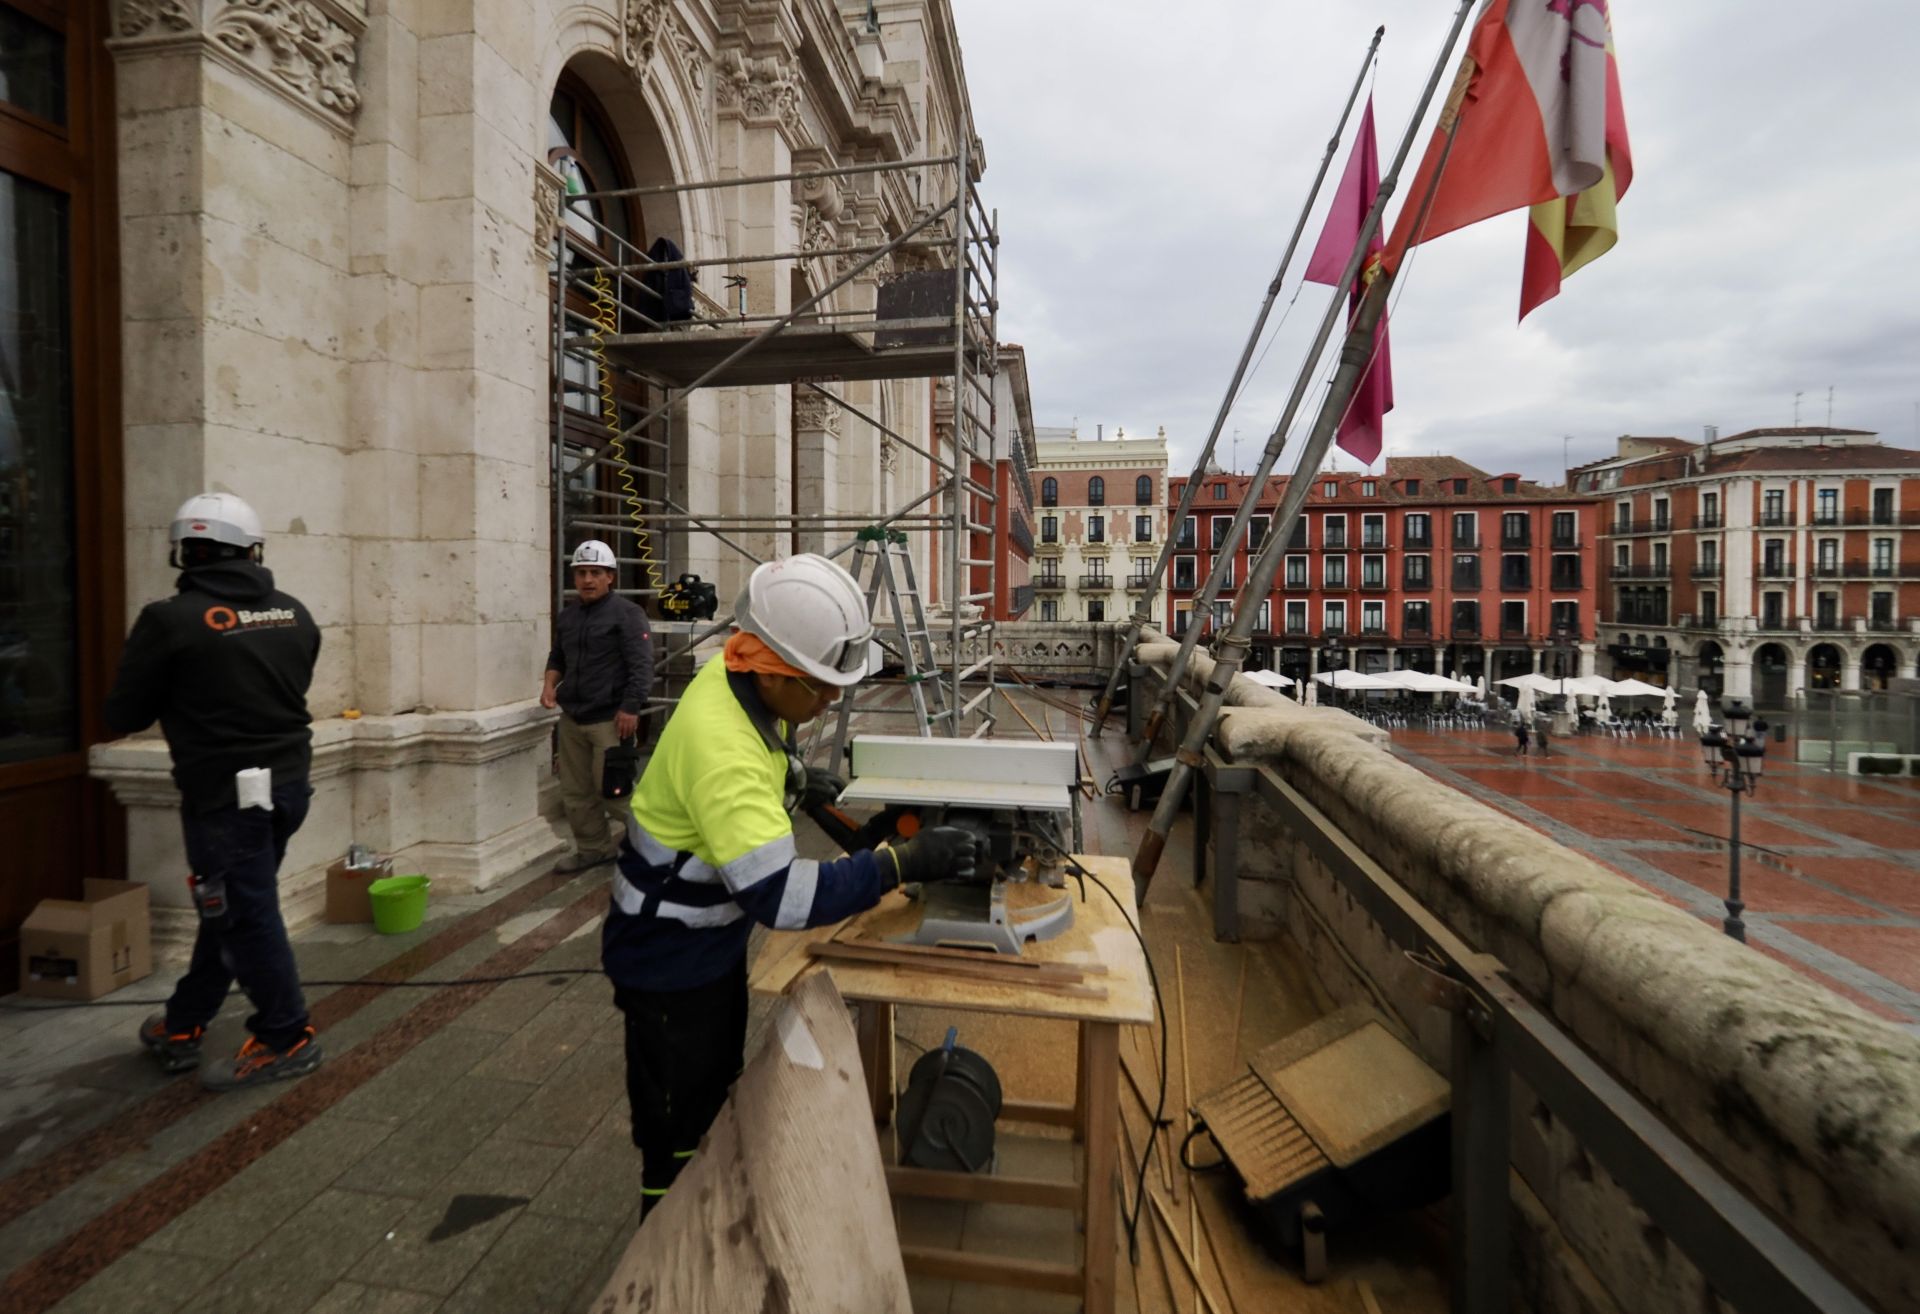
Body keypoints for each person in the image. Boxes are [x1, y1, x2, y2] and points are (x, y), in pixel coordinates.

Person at [601, 553, 978, 1217]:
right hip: (666, 964)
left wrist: (797, 780)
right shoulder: (725, 755)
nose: (830, 700)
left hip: (702, 947)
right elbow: (783, 896)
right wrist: (900, 864)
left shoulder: (733, 667)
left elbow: (760, 756)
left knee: (712, 1092)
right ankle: (666, 1243)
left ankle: (708, 1202)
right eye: (820, 688)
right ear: (773, 670)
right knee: (676, 1132)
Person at [106, 493, 324, 1090]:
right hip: (288, 786)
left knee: (245, 913)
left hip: (224, 800)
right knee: (229, 906)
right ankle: (183, 1022)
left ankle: (287, 1036)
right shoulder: (293, 613)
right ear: (252, 551)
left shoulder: (169, 620)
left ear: (184, 552)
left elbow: (123, 713)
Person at [542, 540, 654, 872]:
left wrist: (630, 707)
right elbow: (557, 657)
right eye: (581, 573)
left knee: (615, 792)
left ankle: (662, 847)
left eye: (595, 572)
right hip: (573, 719)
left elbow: (641, 666)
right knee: (576, 793)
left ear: (610, 577)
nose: (587, 579)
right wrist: (549, 685)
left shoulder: (628, 615)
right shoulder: (568, 616)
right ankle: (593, 849)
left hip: (611, 719)